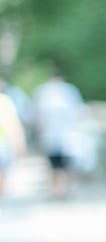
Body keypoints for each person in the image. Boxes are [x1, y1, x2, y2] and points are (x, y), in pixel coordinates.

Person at [31, 67, 85, 199]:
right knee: (64, 164)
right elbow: (80, 112)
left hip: (53, 135)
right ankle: (62, 189)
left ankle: (57, 189)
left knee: (55, 165)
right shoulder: (70, 90)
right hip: (66, 135)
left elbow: (35, 115)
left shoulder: (43, 91)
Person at [0, 82, 25, 196]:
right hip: (3, 147)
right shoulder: (5, 101)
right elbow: (14, 125)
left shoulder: (5, 101)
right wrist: (19, 144)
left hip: (3, 147)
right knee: (2, 176)